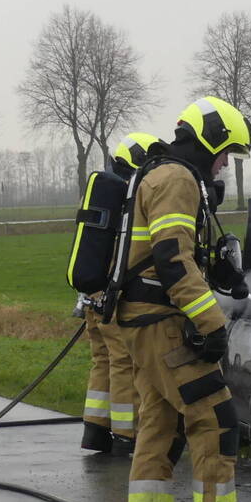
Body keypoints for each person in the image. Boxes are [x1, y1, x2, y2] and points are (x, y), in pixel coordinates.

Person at [117, 96, 251, 502]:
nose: (223, 166)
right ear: (211, 140)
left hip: (143, 323)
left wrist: (221, 272)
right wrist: (210, 322)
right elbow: (171, 258)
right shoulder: (177, 180)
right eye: (225, 153)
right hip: (164, 327)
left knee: (158, 423)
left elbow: (176, 255)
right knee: (215, 421)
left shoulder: (162, 174)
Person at [79, 133, 161, 457]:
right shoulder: (128, 202)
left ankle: (95, 428)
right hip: (111, 299)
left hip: (91, 296)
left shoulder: (104, 195)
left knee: (102, 359)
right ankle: (127, 435)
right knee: (123, 361)